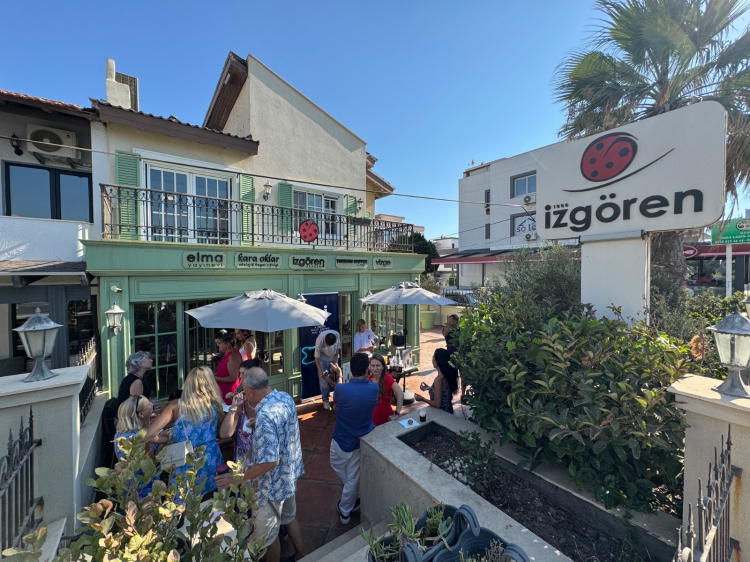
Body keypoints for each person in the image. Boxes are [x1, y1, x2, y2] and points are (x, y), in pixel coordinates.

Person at [216, 367, 306, 562]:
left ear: (249, 391)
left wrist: (236, 478)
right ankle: (302, 555)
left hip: (270, 487)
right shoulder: (284, 397)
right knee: (290, 518)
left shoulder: (265, 417)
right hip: (289, 476)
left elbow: (270, 461)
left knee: (268, 538)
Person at [145, 366, 224, 495]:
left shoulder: (176, 406)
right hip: (211, 457)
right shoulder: (214, 404)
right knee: (212, 500)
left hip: (185, 458)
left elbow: (148, 435)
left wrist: (164, 440)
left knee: (183, 500)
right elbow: (221, 433)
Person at [330, 353, 378, 525]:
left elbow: (337, 401)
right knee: (352, 478)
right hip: (360, 441)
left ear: (350, 369)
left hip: (341, 441)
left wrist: (339, 375)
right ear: (367, 370)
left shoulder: (341, 389)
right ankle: (354, 496)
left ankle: (345, 511)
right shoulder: (373, 388)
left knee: (349, 478)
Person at [114, 395, 170, 497]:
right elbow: (151, 464)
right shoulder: (140, 438)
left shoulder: (121, 434)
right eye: (148, 404)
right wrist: (162, 444)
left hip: (129, 488)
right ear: (141, 414)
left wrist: (147, 423)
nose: (152, 404)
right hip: (144, 491)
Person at [219, 360, 257, 468]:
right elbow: (225, 434)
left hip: (261, 461)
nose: (240, 377)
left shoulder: (267, 403)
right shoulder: (241, 396)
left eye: (243, 374)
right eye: (240, 373)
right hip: (242, 457)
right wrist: (234, 407)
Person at [414, 348, 459, 414]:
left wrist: (422, 399)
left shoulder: (439, 380)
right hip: (449, 411)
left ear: (437, 361)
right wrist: (430, 388)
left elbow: (437, 405)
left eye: (433, 357)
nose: (432, 360)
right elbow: (443, 392)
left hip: (441, 414)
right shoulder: (448, 375)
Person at [367, 354, 403, 426]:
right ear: (369, 367)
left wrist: (397, 412)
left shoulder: (387, 378)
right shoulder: (367, 379)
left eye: (378, 366)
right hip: (370, 415)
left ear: (383, 367)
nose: (375, 368)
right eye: (373, 365)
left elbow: (400, 393)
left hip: (385, 414)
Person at [314, 329, 340, 410]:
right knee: (323, 380)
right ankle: (325, 400)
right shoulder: (320, 340)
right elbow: (316, 358)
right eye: (328, 346)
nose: (329, 347)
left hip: (333, 358)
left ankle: (337, 400)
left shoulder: (337, 335)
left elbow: (337, 350)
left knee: (336, 378)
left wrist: (335, 363)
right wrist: (321, 371)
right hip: (322, 360)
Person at [214, 332, 242, 405]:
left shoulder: (233, 356)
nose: (218, 345)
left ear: (227, 345)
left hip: (229, 392)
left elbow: (233, 378)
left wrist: (215, 378)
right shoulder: (229, 354)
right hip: (223, 390)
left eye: (220, 343)